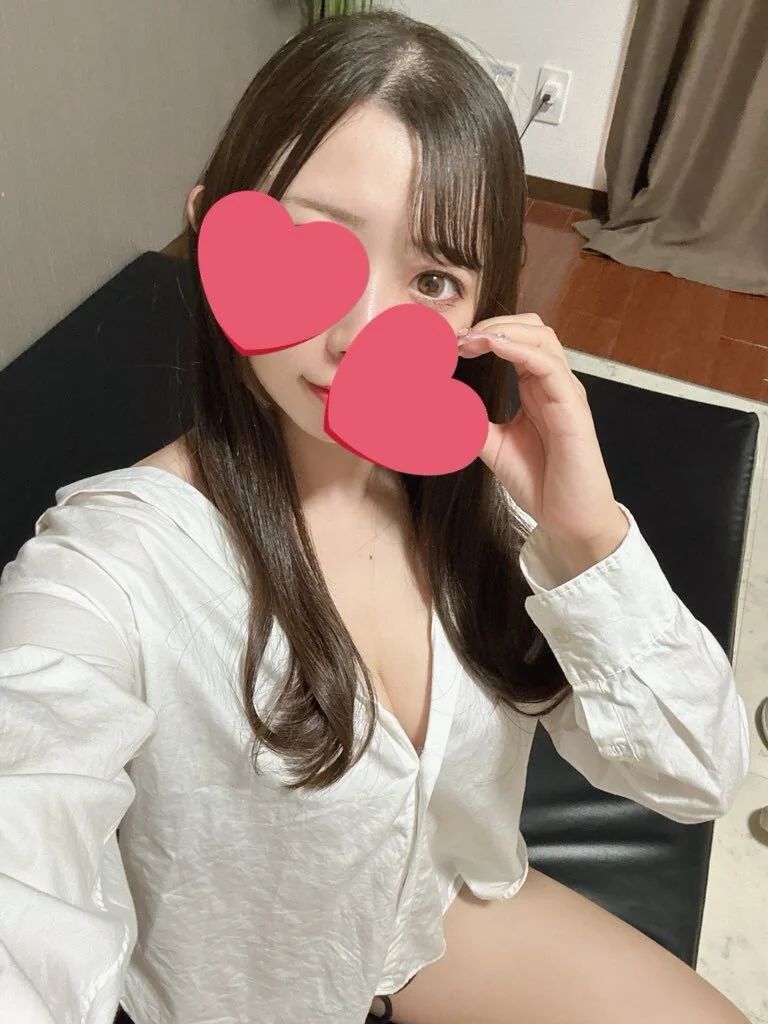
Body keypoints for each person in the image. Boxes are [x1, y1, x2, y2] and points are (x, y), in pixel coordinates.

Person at [0, 11, 752, 1024]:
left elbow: (700, 773)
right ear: (212, 229)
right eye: (319, 245)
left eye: (432, 280)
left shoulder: (486, 510)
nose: (359, 331)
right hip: (255, 986)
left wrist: (585, 540)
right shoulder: (110, 569)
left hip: (438, 913)